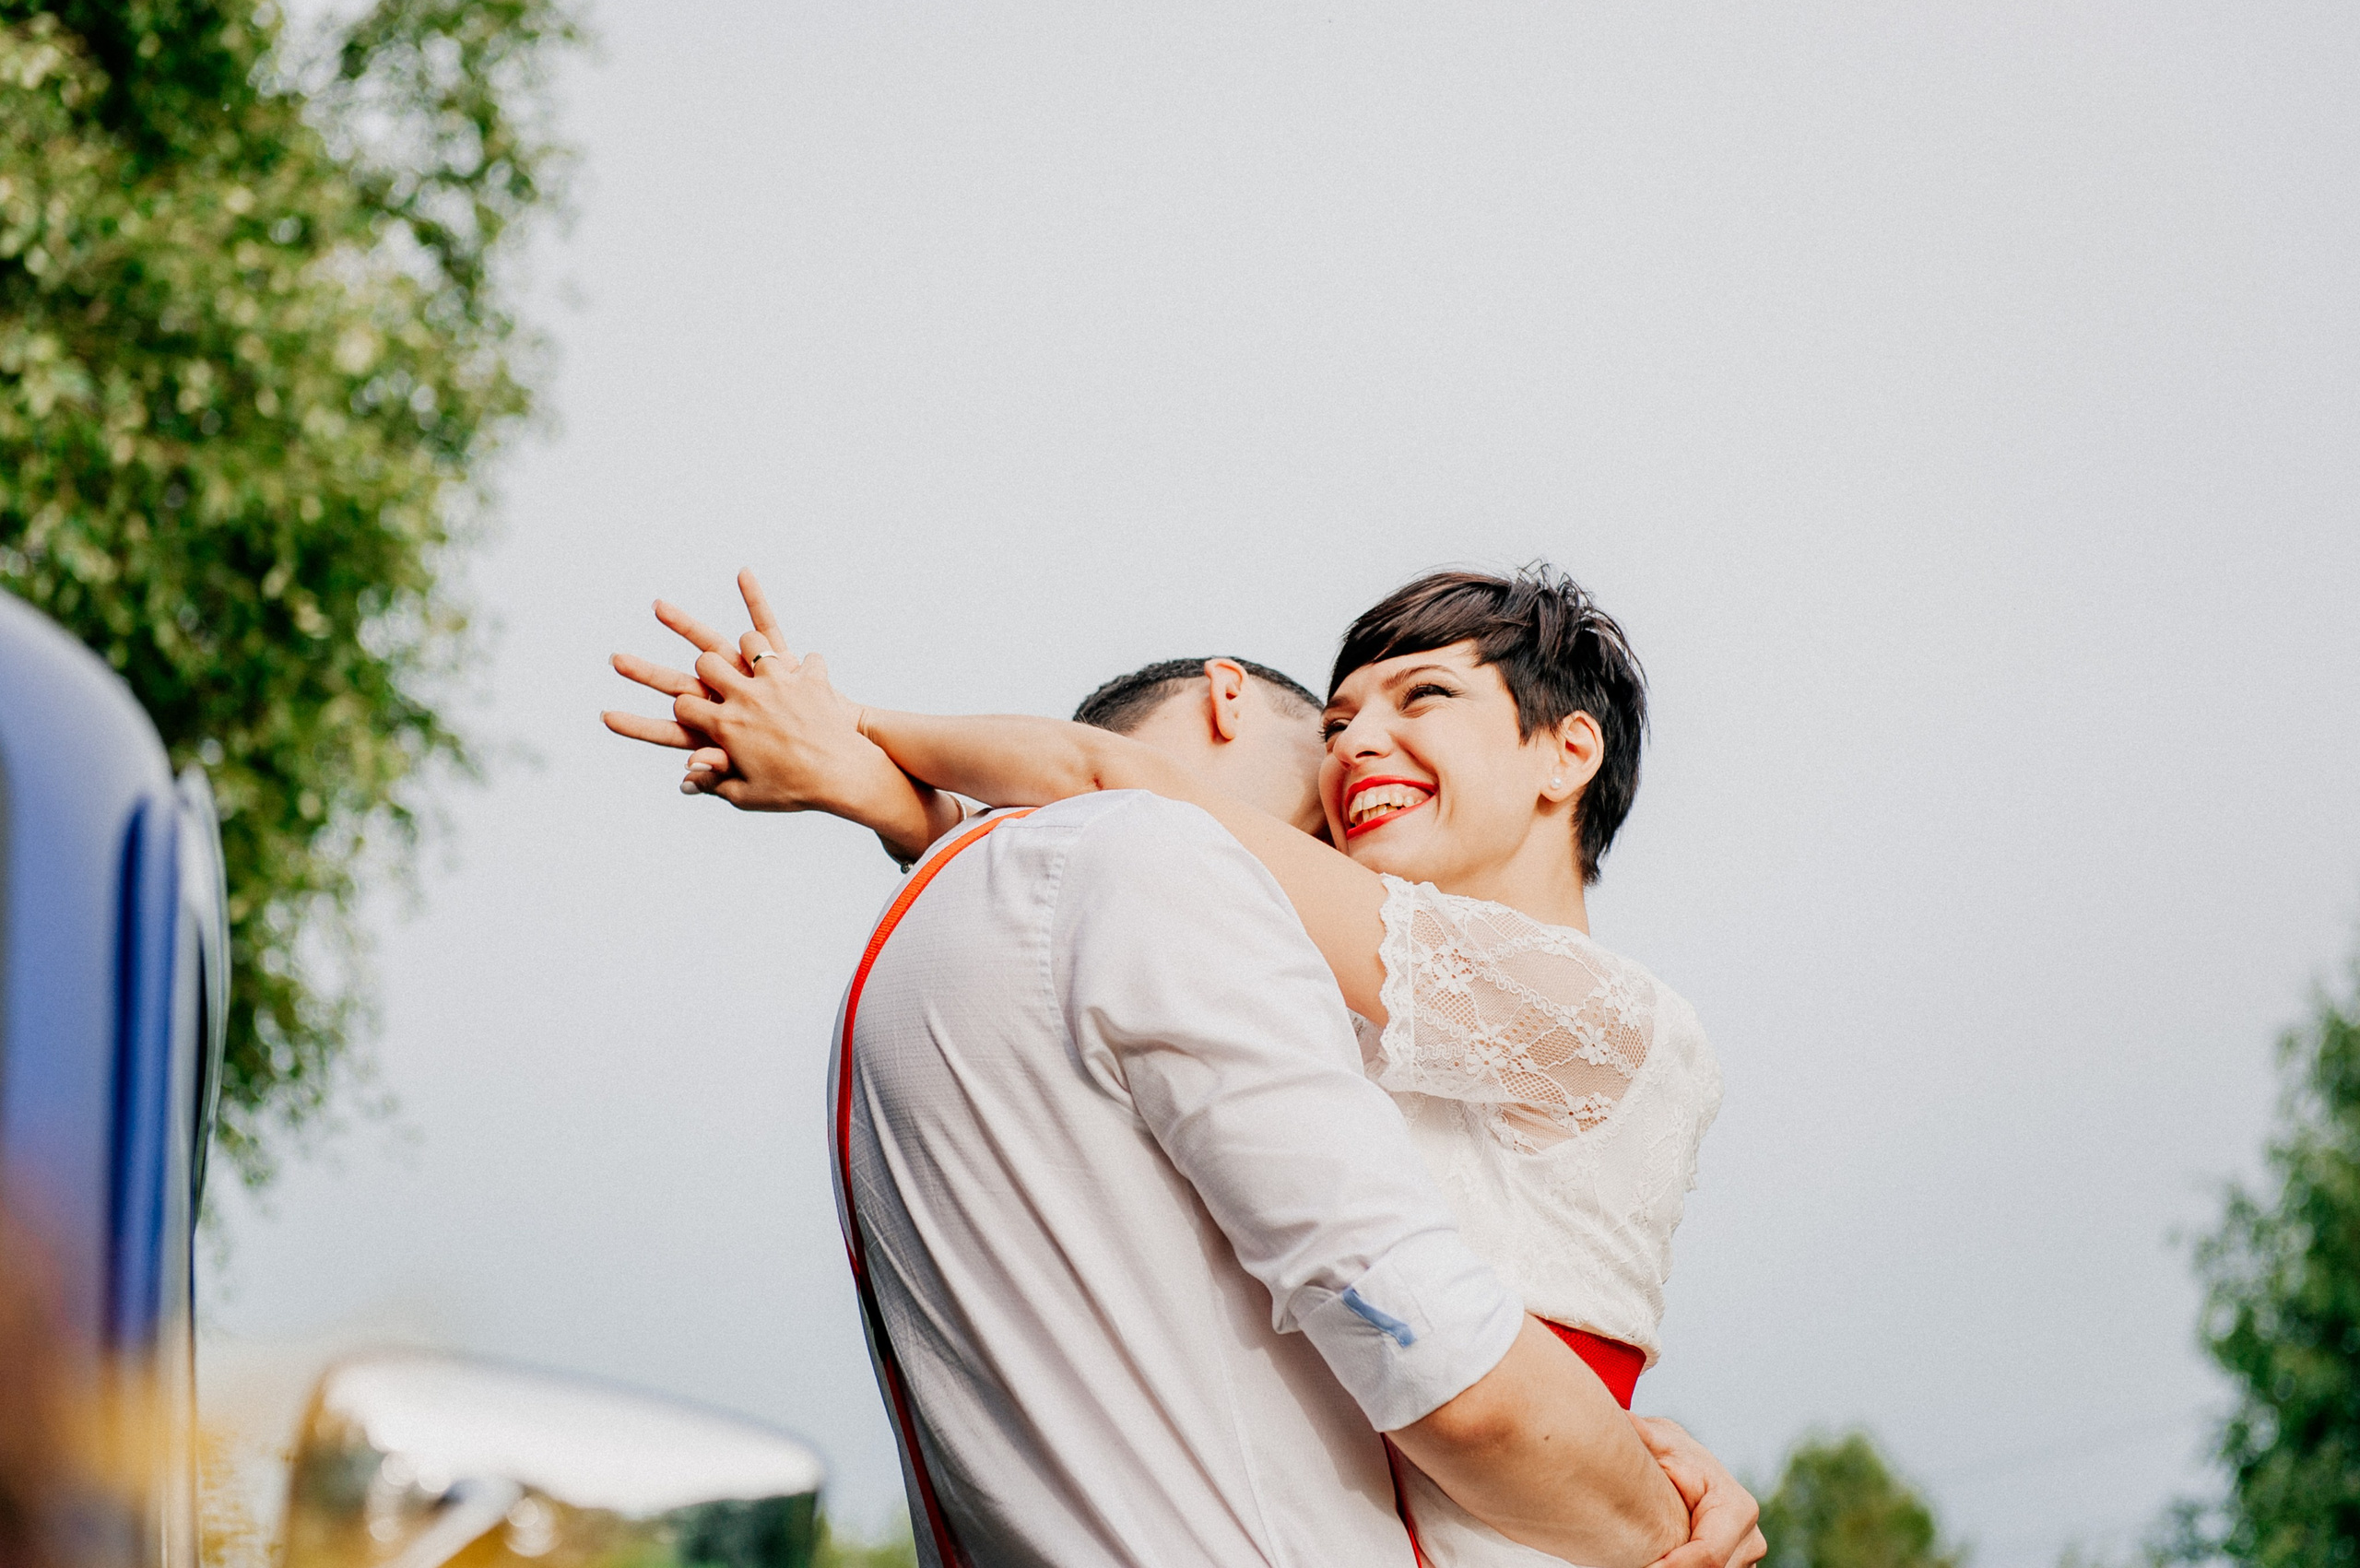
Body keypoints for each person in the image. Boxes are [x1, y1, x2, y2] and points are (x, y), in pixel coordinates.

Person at [604, 567, 1761, 1568]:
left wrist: (845, 731)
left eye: (1425, 698)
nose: (1357, 742)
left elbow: (1114, 791)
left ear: (1569, 752)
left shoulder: (1600, 1015)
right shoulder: (1374, 1025)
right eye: (1340, 718)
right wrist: (914, 817)